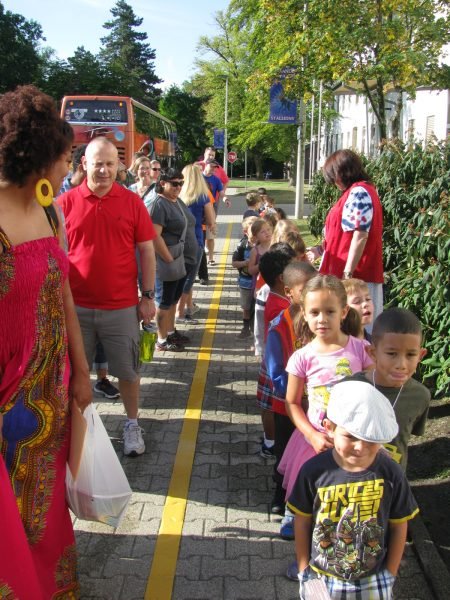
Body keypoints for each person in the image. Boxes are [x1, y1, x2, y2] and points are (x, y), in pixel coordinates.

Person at [0, 84, 92, 598]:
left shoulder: (50, 212)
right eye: (66, 157)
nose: (68, 167)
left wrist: (80, 372)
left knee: (44, 509)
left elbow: (64, 298)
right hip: (6, 399)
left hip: (52, 394)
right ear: (41, 156)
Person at [58, 136, 157, 457]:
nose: (103, 170)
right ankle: (79, 427)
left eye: (110, 164)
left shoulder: (132, 203)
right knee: (75, 374)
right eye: (97, 163)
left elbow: (146, 250)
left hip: (122, 307)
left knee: (128, 372)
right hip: (75, 309)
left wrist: (148, 295)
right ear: (84, 164)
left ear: (119, 167)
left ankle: (131, 424)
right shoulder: (63, 205)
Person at [289, 380, 419, 600]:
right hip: (321, 576)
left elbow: (399, 525)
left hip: (374, 577)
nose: (360, 447)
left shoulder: (391, 473)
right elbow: (301, 521)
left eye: (370, 439)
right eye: (350, 436)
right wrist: (304, 570)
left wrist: (390, 574)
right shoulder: (312, 472)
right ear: (330, 428)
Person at [278, 274, 372, 550]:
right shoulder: (302, 357)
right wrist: (311, 436)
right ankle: (294, 517)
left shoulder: (362, 350)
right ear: (304, 315)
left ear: (343, 313)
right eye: (314, 312)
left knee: (344, 495)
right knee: (306, 489)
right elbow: (292, 403)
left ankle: (341, 542)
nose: (322, 319)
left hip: (353, 438)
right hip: (315, 439)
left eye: (329, 312)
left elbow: (373, 394)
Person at [345, 307, 430, 470]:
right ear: (372, 352)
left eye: (411, 355)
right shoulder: (350, 388)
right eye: (392, 354)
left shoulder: (420, 396)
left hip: (394, 484)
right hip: (352, 484)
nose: (401, 365)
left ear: (421, 355)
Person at [263, 261, 317, 514]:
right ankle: (281, 493)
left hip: (317, 406)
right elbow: (275, 370)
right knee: (284, 453)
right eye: (305, 289)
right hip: (287, 406)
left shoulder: (321, 321)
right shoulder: (279, 326)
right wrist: (293, 395)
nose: (311, 294)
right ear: (289, 293)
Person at [307, 149, 384, 325]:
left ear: (341, 173)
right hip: (350, 274)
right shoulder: (360, 191)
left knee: (355, 328)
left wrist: (347, 273)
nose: (334, 182)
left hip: (356, 276)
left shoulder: (359, 193)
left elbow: (360, 234)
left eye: (333, 176)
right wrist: (320, 250)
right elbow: (344, 235)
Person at [147, 168, 198, 352]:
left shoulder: (175, 200)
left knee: (173, 300)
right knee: (164, 301)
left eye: (181, 183)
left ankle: (170, 331)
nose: (179, 187)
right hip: (168, 263)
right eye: (174, 183)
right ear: (162, 183)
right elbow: (154, 236)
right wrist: (169, 258)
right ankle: (161, 340)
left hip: (180, 262)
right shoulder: (158, 205)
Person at [256, 244, 296, 459]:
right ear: (282, 278)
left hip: (274, 360)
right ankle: (271, 442)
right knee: (270, 404)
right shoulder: (281, 306)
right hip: (277, 363)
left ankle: (269, 440)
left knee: (268, 404)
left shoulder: (277, 298)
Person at [177, 164, 216, 324]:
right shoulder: (202, 196)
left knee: (179, 277)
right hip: (196, 240)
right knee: (189, 278)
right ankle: (180, 313)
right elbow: (211, 220)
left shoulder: (177, 195)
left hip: (176, 242)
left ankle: (188, 306)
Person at [232, 216, 258, 339]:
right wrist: (246, 263)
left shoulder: (263, 245)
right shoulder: (242, 245)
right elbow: (234, 263)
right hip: (246, 282)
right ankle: (246, 328)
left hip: (259, 283)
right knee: (246, 306)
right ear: (245, 231)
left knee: (258, 306)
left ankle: (257, 329)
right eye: (252, 229)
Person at [203, 158, 228, 266]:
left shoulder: (216, 180)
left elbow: (221, 192)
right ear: (206, 165)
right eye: (212, 166)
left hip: (210, 210)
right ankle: (200, 259)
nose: (214, 169)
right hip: (197, 210)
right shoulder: (198, 177)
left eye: (215, 167)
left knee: (210, 235)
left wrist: (225, 199)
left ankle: (211, 258)